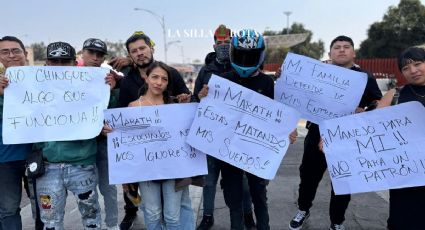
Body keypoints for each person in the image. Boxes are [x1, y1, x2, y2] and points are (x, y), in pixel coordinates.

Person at [288, 35, 382, 230]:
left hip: (347, 137)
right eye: (337, 47)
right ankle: (303, 209)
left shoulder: (364, 76)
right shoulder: (319, 73)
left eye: (346, 47)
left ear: (353, 52)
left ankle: (337, 221)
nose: (341, 50)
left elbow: (377, 102)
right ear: (330, 53)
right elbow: (299, 95)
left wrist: (365, 110)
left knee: (343, 180)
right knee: (308, 176)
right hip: (316, 133)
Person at [198, 29, 274, 230]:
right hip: (228, 152)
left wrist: (288, 131)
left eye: (251, 56)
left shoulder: (267, 82)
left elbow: (278, 117)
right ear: (233, 53)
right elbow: (208, 113)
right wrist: (202, 98)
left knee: (259, 198)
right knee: (234, 200)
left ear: (260, 56)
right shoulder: (222, 80)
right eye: (241, 55)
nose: (245, 60)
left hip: (256, 154)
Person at [34, 41, 114, 230]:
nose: (60, 66)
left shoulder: (92, 85)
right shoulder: (33, 88)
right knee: (50, 223)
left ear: (73, 63)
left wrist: (111, 90)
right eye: (55, 62)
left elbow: (107, 114)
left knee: (92, 220)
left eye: (65, 61)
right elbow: (15, 116)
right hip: (47, 168)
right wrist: (4, 95)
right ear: (47, 63)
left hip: (82, 165)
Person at [117, 32, 193, 230]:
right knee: (152, 212)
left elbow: (187, 109)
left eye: (142, 48)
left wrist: (189, 100)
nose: (139, 53)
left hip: (173, 161)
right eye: (134, 51)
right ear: (147, 80)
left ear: (151, 48)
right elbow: (120, 122)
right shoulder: (127, 83)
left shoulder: (172, 78)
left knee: (175, 212)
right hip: (145, 165)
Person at [376, 47, 425, 230]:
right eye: (406, 68)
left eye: (418, 64)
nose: (413, 71)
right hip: (405, 175)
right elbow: (368, 128)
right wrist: (336, 142)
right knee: (403, 221)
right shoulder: (394, 95)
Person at [81, 38, 119, 230]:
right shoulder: (69, 78)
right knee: (87, 191)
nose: (95, 58)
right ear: (82, 53)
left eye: (99, 55)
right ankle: (93, 225)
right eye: (91, 53)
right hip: (80, 145)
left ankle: (112, 225)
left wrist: (111, 91)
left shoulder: (109, 78)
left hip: (103, 144)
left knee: (108, 189)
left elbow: (114, 112)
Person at [0, 36, 34, 230]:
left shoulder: (43, 78)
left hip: (37, 155)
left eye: (16, 50)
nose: (11, 55)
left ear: (25, 54)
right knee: (8, 209)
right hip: (5, 159)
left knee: (44, 208)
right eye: (5, 52)